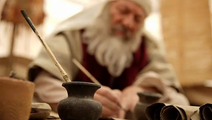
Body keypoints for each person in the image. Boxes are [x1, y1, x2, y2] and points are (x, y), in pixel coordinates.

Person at [28, 0, 189, 118]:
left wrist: (143, 91)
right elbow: (43, 84)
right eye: (123, 11)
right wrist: (82, 99)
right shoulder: (70, 37)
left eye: (137, 19)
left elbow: (177, 97)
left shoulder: (147, 47)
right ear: (105, 8)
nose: (127, 23)